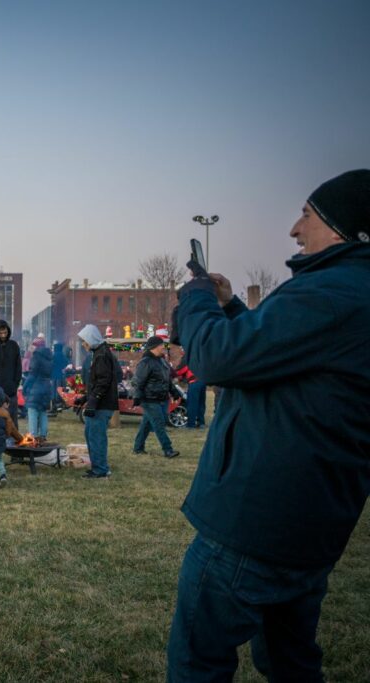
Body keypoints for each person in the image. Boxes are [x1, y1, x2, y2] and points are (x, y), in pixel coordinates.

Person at [166, 169, 370, 680]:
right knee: (290, 660)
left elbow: (216, 358)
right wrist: (233, 305)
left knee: (199, 660)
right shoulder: (348, 294)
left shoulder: (335, 292)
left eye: (307, 214)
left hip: (254, 520)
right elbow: (276, 357)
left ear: (347, 227)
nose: (295, 230)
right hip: (308, 521)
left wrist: (195, 296)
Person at [76, 324, 116, 479]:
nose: (83, 344)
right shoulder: (99, 353)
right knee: (92, 435)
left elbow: (103, 382)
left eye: (84, 341)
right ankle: (99, 467)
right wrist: (86, 398)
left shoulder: (101, 355)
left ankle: (100, 470)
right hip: (100, 403)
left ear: (91, 339)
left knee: (96, 437)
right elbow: (98, 382)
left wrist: (93, 402)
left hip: (102, 405)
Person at [130, 337, 179, 459]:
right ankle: (168, 449)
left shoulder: (162, 362)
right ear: (155, 347)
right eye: (162, 345)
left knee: (146, 424)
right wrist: (137, 397)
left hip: (161, 398)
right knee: (159, 423)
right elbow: (138, 382)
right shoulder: (145, 362)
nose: (164, 347)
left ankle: (138, 447)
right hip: (149, 399)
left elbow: (168, 380)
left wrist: (175, 392)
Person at [25, 337, 53, 439]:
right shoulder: (49, 356)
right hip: (46, 387)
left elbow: (32, 374)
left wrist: (25, 387)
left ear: (36, 346)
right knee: (43, 411)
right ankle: (43, 435)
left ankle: (33, 436)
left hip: (36, 388)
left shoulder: (36, 356)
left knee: (32, 410)